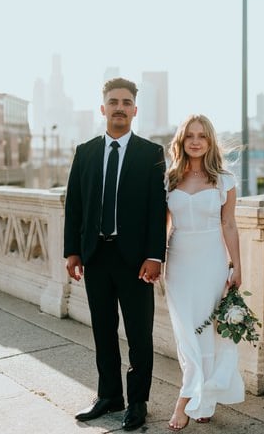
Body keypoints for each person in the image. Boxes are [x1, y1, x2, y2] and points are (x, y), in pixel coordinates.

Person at [64, 77, 167, 432]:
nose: (119, 107)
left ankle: (137, 402)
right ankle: (109, 395)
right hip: (95, 257)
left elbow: (157, 210)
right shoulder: (85, 152)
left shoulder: (151, 154)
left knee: (139, 334)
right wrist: (72, 252)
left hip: (135, 260)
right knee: (103, 330)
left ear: (134, 110)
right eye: (114, 101)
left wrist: (155, 255)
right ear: (103, 108)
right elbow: (74, 207)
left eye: (126, 102)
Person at [164, 114, 245, 431]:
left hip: (212, 261)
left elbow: (229, 224)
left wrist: (237, 265)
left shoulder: (225, 180)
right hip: (179, 263)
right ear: (182, 142)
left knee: (207, 332)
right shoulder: (170, 179)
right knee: (188, 335)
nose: (195, 141)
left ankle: (191, 401)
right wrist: (154, 263)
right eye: (189, 136)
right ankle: (197, 395)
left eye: (202, 136)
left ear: (210, 142)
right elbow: (164, 227)